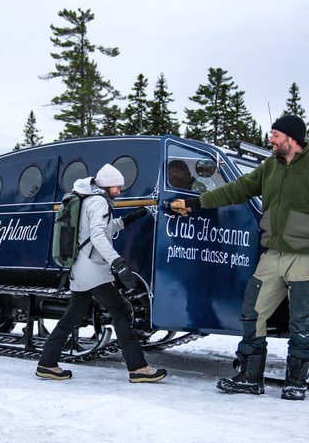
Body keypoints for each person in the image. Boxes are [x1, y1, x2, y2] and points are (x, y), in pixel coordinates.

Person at [170, 114, 309, 400]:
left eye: (275, 135)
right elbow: (237, 189)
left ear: (292, 139)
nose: (270, 140)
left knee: (301, 322)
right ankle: (249, 377)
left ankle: (296, 382)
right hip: (273, 254)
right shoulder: (269, 167)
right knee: (252, 312)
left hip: (304, 256)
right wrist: (197, 203)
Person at [36, 163, 167, 383]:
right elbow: (97, 236)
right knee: (122, 311)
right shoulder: (99, 202)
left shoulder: (88, 199)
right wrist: (118, 262)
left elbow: (101, 229)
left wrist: (128, 220)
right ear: (107, 185)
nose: (119, 191)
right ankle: (138, 368)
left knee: (71, 317)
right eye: (117, 187)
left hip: (80, 268)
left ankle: (47, 363)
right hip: (94, 269)